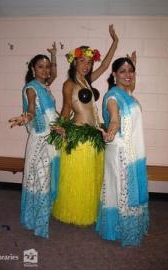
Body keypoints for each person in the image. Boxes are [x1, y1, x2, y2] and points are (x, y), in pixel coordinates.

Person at [51, 25, 119, 226]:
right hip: (78, 136)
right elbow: (65, 109)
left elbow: (106, 66)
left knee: (90, 178)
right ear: (74, 62)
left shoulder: (88, 80)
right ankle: (74, 212)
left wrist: (115, 42)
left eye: (89, 62)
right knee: (77, 178)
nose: (87, 65)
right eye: (83, 61)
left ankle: (88, 211)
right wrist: (60, 127)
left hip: (93, 135)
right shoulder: (69, 84)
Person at [95, 54, 149, 246]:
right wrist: (110, 132)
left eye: (131, 71)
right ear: (114, 74)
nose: (128, 75)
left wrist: (135, 62)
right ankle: (119, 229)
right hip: (120, 151)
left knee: (126, 189)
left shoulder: (127, 92)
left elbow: (130, 83)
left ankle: (124, 226)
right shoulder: (112, 97)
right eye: (123, 71)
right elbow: (115, 119)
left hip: (132, 150)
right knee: (122, 190)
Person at [9, 42, 60, 238]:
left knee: (44, 181)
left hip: (51, 139)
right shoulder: (31, 88)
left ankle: (39, 216)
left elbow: (54, 75)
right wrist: (26, 117)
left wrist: (54, 55)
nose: (46, 70)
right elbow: (31, 109)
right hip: (40, 142)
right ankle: (37, 222)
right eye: (41, 66)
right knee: (40, 182)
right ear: (33, 69)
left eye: (47, 67)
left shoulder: (44, 85)